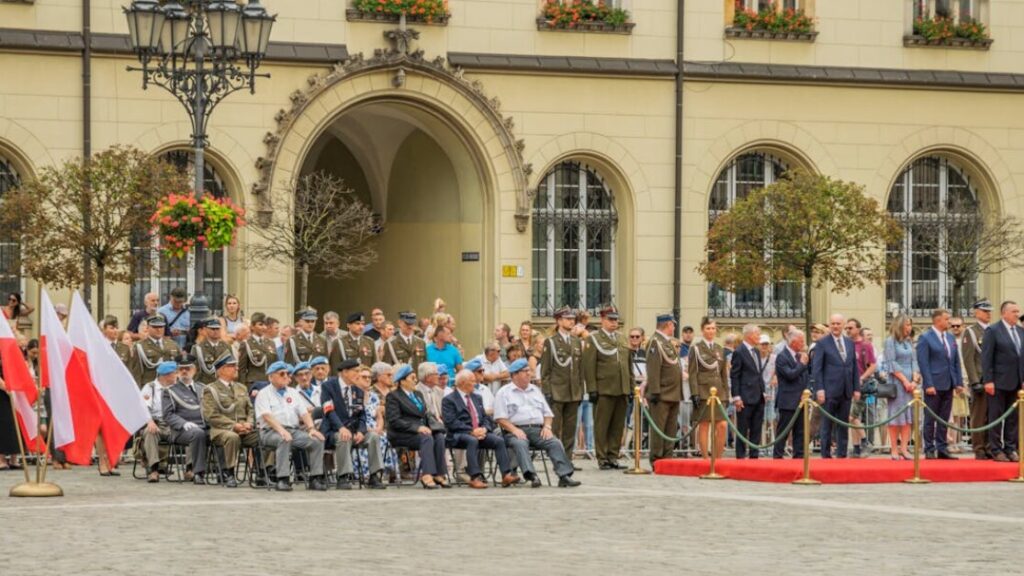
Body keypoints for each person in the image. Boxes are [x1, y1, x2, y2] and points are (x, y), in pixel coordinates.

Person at [495, 358, 581, 488]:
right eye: (525, 371)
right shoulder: (504, 392)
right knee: (520, 442)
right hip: (514, 431)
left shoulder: (535, 390)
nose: (529, 374)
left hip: (537, 429)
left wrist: (547, 426)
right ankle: (532, 475)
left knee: (554, 442)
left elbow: (548, 414)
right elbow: (500, 418)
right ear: (515, 375)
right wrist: (514, 430)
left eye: (529, 371)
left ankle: (564, 476)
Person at [255, 361, 327, 491]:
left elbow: (304, 413)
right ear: (271, 377)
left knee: (317, 440)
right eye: (282, 373)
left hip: (293, 431)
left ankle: (315, 478)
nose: (286, 376)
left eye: (287, 373)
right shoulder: (264, 393)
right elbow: (267, 417)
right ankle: (283, 479)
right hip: (270, 432)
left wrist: (311, 429)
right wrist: (282, 431)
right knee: (284, 439)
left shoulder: (293, 392)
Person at [442, 370, 518, 489]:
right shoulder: (449, 400)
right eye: (472, 381)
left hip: (479, 432)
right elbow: (451, 422)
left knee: (498, 440)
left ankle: (506, 474)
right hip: (458, 434)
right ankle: (475, 477)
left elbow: (485, 418)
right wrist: (472, 431)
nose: (475, 383)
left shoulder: (477, 397)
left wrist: (484, 429)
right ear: (462, 383)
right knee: (472, 440)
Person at [321, 359, 386, 490]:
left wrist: (361, 431)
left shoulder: (358, 390)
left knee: (373, 436)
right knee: (343, 437)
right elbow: (328, 411)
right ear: (345, 372)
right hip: (334, 430)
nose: (358, 374)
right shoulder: (328, 386)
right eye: (356, 371)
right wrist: (341, 428)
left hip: (354, 431)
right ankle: (343, 476)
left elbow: (362, 415)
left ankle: (374, 476)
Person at [582, 306, 631, 470]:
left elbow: (627, 365)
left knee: (617, 425)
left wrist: (630, 387)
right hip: (604, 388)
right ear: (602, 320)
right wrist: (592, 389)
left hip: (622, 387)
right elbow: (589, 366)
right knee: (602, 425)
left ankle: (613, 456)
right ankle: (602, 457)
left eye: (615, 319)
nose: (614, 322)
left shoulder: (622, 339)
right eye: (610, 319)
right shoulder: (594, 338)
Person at [386, 364, 449, 489]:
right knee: (427, 437)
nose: (415, 380)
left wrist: (434, 425)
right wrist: (417, 428)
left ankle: (439, 473)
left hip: (421, 431)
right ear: (402, 381)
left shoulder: (418, 395)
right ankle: (427, 474)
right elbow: (394, 421)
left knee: (439, 436)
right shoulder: (393, 396)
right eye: (412, 378)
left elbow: (424, 414)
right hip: (402, 433)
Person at [201, 353, 258, 487]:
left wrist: (249, 423)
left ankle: (263, 471)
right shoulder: (211, 389)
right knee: (232, 437)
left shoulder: (241, 387)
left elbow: (250, 409)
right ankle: (228, 472)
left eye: (236, 366)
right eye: (231, 366)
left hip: (245, 429)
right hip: (222, 430)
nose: (236, 369)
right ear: (221, 370)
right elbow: (211, 415)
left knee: (264, 436)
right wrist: (234, 425)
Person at [812, 314, 861, 459]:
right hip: (828, 391)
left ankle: (842, 454)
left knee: (843, 424)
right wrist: (819, 389)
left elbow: (853, 367)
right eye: (832, 323)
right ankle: (826, 455)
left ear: (843, 325)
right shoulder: (822, 343)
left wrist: (856, 388)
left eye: (838, 324)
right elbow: (817, 368)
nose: (835, 326)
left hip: (846, 390)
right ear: (829, 325)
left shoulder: (849, 342)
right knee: (826, 425)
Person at [917, 308, 963, 459]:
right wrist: (928, 384)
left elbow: (955, 361)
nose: (949, 322)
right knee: (930, 417)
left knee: (944, 417)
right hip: (934, 384)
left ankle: (942, 447)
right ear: (937, 320)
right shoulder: (925, 337)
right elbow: (924, 363)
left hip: (949, 382)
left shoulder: (950, 338)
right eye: (946, 319)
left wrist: (958, 382)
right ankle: (929, 447)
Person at [981, 300, 1024, 462]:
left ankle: (1010, 448)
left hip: (1016, 382)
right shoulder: (993, 330)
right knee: (996, 416)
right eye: (1014, 311)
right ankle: (996, 449)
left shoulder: (1020, 331)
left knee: (1013, 418)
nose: (1017, 314)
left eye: (1018, 311)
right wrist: (988, 380)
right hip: (998, 382)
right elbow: (986, 357)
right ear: (1004, 313)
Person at [540, 306, 585, 464]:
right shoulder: (551, 342)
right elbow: (545, 371)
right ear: (559, 321)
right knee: (556, 429)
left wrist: (581, 391)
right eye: (567, 319)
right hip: (557, 391)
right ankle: (557, 459)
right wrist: (547, 392)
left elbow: (580, 370)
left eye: (573, 319)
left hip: (573, 392)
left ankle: (567, 458)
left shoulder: (576, 342)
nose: (571, 321)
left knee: (570, 429)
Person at [161, 354, 208, 484]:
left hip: (204, 425)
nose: (184, 371)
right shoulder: (170, 391)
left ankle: (226, 472)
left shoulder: (203, 388)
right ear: (177, 371)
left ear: (195, 370)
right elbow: (168, 415)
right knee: (198, 434)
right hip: (181, 430)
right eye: (181, 369)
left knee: (224, 434)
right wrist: (183, 423)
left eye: (188, 368)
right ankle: (198, 472)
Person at [687, 318, 729, 459]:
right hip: (703, 391)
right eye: (708, 328)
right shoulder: (696, 348)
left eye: (713, 328)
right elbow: (692, 373)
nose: (711, 331)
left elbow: (723, 374)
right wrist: (694, 393)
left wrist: (726, 394)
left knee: (722, 425)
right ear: (702, 330)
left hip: (718, 392)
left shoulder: (719, 349)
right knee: (704, 425)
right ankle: (705, 458)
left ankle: (717, 458)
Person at [645, 313, 683, 465]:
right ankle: (657, 458)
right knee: (659, 430)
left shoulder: (665, 342)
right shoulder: (655, 342)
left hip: (673, 393)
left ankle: (668, 458)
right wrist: (654, 391)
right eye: (673, 325)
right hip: (661, 393)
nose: (674, 328)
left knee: (670, 429)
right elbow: (653, 368)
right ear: (668, 325)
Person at [883, 314, 918, 460]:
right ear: (899, 325)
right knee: (896, 416)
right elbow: (892, 363)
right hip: (898, 383)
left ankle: (904, 448)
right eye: (907, 325)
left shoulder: (909, 342)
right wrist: (905, 381)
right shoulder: (890, 341)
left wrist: (915, 378)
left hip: (911, 383)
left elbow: (914, 361)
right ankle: (894, 449)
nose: (909, 328)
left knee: (909, 417)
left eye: (910, 325)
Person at [961, 299, 992, 459]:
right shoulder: (971, 332)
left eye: (989, 311)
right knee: (979, 416)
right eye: (985, 311)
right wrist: (974, 381)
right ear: (976, 312)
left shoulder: (992, 330)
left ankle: (989, 446)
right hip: (980, 380)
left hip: (992, 380)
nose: (988, 314)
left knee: (991, 416)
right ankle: (979, 448)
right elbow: (969, 359)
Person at [730, 324, 766, 459]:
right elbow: (735, 375)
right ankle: (740, 456)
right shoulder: (739, 351)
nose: (759, 337)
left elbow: (758, 373)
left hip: (758, 396)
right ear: (750, 335)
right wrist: (736, 397)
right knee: (743, 429)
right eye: (757, 334)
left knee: (756, 428)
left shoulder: (756, 351)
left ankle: (754, 455)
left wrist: (763, 391)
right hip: (745, 397)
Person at [139, 361, 178, 482]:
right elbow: (143, 408)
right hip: (157, 422)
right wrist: (150, 422)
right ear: (166, 376)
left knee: (195, 432)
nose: (177, 375)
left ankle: (190, 469)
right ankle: (153, 469)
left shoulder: (177, 388)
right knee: (150, 432)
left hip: (175, 424)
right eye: (174, 373)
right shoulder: (150, 387)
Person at [773, 329, 808, 459]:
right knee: (784, 431)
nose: (803, 343)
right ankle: (778, 456)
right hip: (788, 400)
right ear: (793, 342)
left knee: (800, 431)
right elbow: (790, 375)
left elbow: (805, 376)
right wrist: (802, 364)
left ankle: (799, 456)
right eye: (801, 341)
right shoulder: (782, 357)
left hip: (801, 400)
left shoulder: (800, 356)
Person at [845, 318, 877, 458]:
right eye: (847, 328)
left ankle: (865, 441)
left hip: (861, 385)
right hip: (847, 385)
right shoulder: (845, 344)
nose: (847, 330)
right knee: (853, 417)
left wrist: (862, 378)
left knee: (852, 416)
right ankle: (856, 447)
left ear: (858, 329)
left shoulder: (865, 345)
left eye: (850, 328)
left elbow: (873, 365)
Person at [131, 315, 182, 386]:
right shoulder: (140, 346)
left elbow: (179, 367)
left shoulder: (173, 344)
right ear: (147, 328)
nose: (159, 329)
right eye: (155, 327)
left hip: (171, 386)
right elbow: (136, 372)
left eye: (161, 327)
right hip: (151, 386)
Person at [239, 312, 277, 398]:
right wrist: (243, 389)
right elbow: (242, 370)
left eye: (265, 325)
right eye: (260, 324)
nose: (264, 327)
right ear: (252, 326)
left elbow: (275, 364)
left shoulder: (271, 343)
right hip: (254, 385)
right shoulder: (246, 344)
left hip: (270, 384)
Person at [193, 318, 232, 385]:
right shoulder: (198, 348)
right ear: (205, 329)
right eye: (212, 329)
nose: (215, 331)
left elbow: (231, 367)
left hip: (223, 384)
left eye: (217, 329)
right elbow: (195, 370)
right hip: (205, 384)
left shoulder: (227, 347)